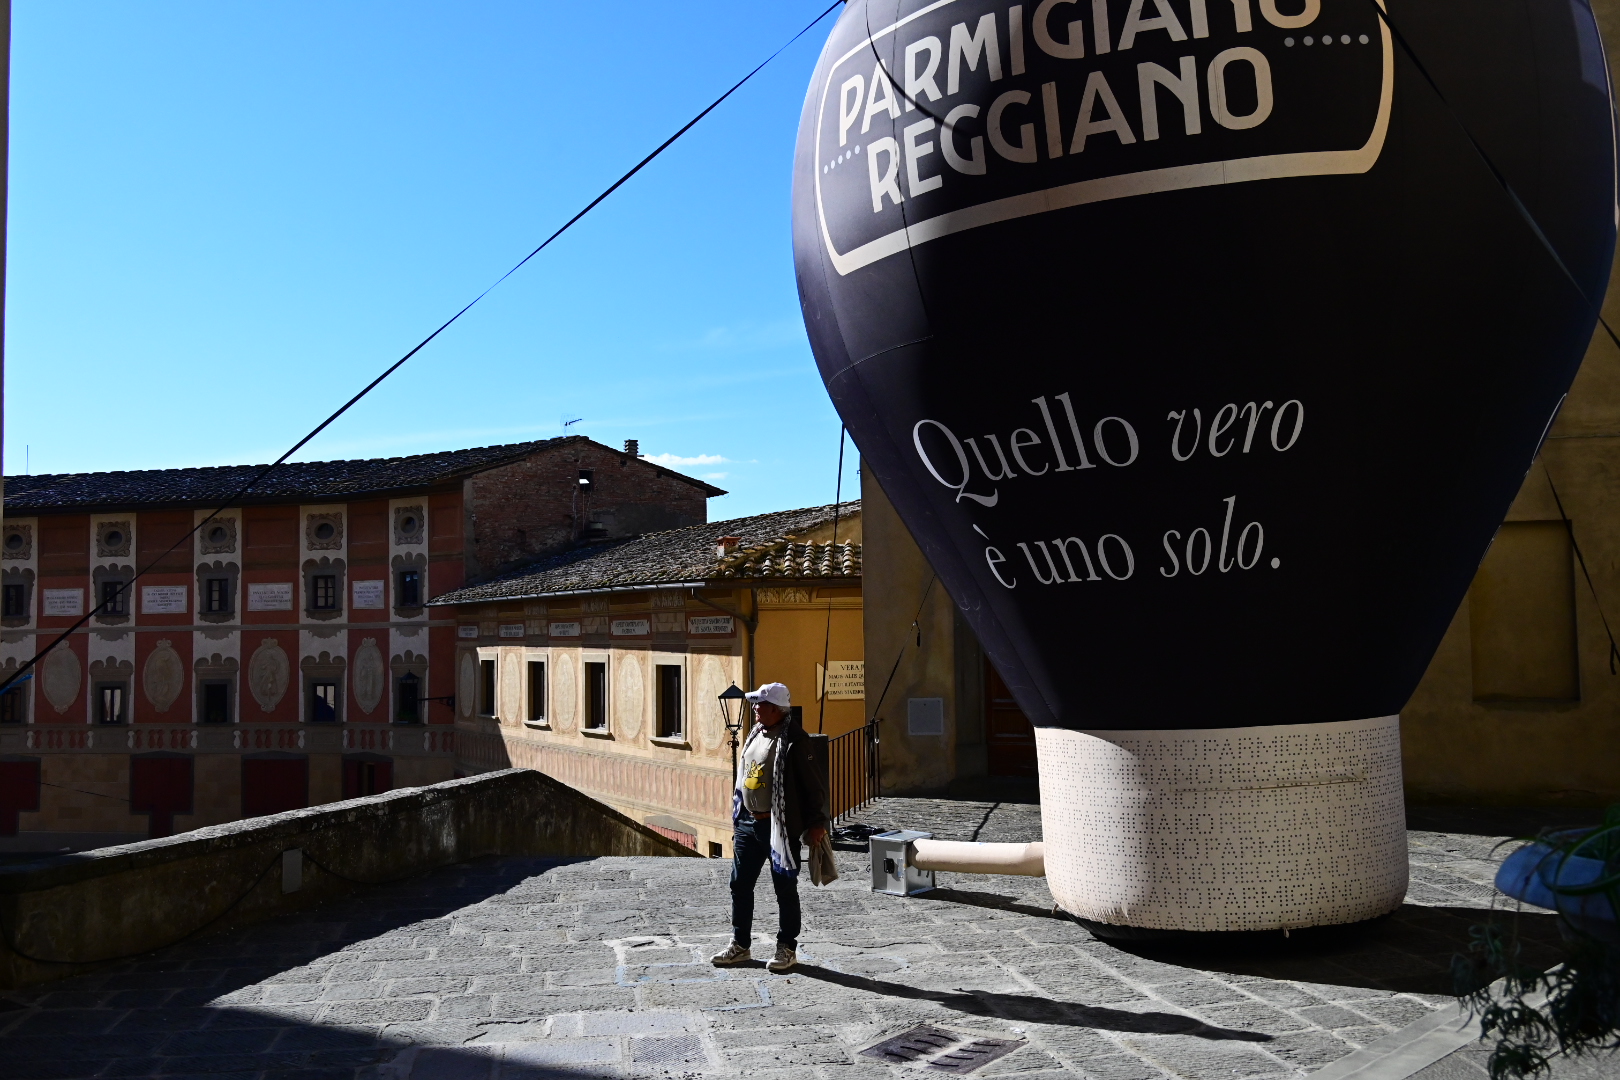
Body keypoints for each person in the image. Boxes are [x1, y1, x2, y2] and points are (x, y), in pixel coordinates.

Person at [710, 682, 829, 973]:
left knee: (784, 889)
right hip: (748, 823)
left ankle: (787, 947)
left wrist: (817, 823)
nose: (755, 708)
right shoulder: (755, 734)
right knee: (740, 885)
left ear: (776, 709)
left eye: (760, 704)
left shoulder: (796, 741)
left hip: (779, 827)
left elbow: (814, 786)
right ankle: (740, 945)